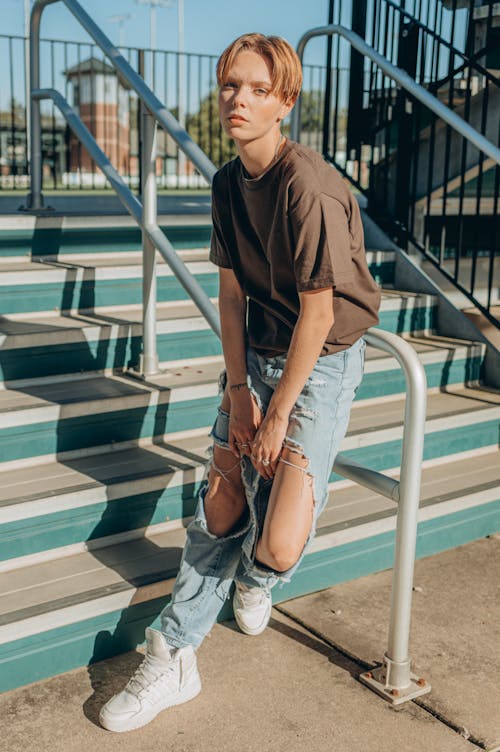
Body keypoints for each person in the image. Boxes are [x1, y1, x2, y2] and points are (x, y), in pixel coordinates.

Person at [99, 32, 381, 733]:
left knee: (277, 546)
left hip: (323, 356)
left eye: (257, 89)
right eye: (230, 85)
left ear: (285, 102)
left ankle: (257, 579)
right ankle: (175, 652)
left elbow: (319, 313)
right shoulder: (228, 184)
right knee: (223, 509)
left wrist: (280, 412)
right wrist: (238, 394)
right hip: (258, 352)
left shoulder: (305, 186)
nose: (238, 100)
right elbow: (230, 298)